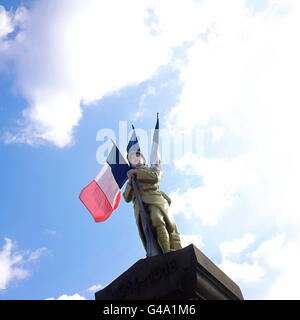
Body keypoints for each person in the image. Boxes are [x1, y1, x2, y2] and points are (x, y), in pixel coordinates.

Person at [123, 150, 182, 254]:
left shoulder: (150, 169)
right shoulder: (132, 179)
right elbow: (126, 198)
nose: (136, 159)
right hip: (141, 208)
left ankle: (168, 252)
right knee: (149, 233)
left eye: (138, 157)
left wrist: (137, 172)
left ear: (143, 160)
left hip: (155, 200)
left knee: (157, 219)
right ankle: (159, 254)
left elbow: (155, 176)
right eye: (132, 159)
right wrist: (130, 182)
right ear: (131, 164)